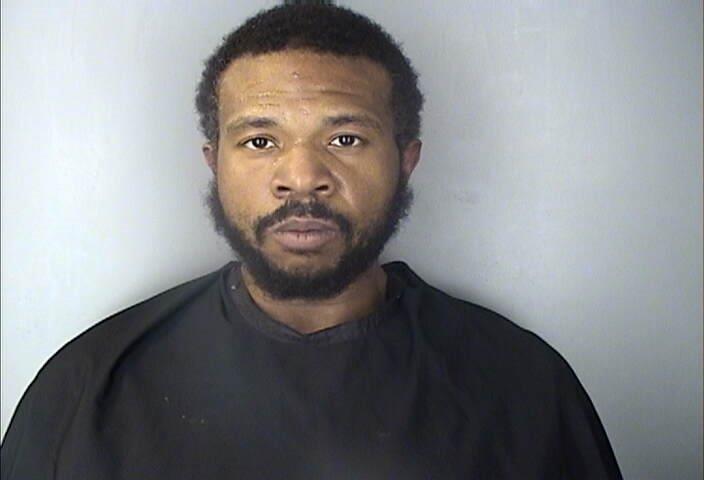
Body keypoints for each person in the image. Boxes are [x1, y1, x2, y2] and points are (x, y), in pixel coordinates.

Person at [0, 2, 623, 479]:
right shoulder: (87, 387)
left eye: (345, 139)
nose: (301, 178)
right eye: (260, 141)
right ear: (215, 163)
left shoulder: (522, 387)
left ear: (405, 161)